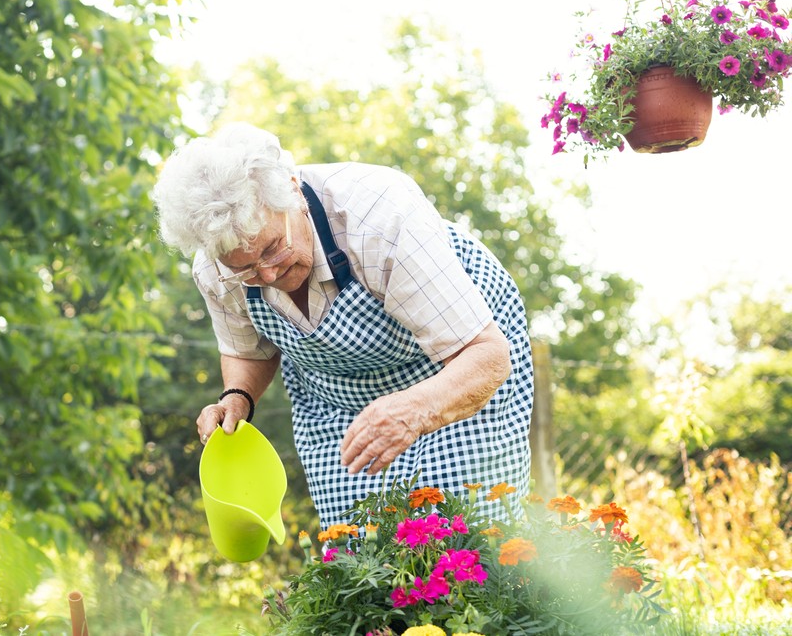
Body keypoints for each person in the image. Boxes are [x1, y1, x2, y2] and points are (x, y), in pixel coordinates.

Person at [151, 122, 534, 528]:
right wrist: (237, 398)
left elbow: (486, 356)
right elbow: (248, 350)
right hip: (336, 397)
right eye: (244, 269)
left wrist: (416, 409)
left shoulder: (380, 217)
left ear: (294, 193)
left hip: (456, 368)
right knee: (360, 550)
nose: (266, 276)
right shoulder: (215, 268)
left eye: (272, 249)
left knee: (466, 535)